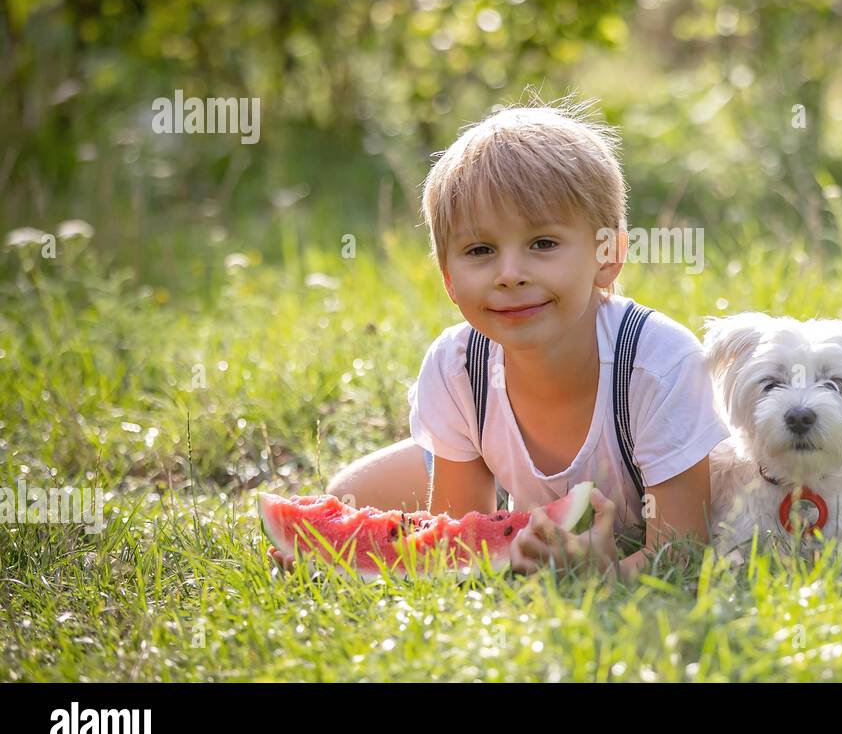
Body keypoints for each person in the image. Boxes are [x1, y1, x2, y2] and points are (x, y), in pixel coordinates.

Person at [271, 95, 730, 582]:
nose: (510, 274)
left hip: (640, 476)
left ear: (608, 254)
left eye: (543, 244)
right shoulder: (456, 366)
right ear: (448, 278)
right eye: (480, 249)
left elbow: (681, 551)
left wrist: (604, 574)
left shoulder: (659, 365)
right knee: (346, 493)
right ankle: (446, 452)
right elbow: (459, 542)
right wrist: (328, 555)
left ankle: (457, 456)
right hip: (495, 453)